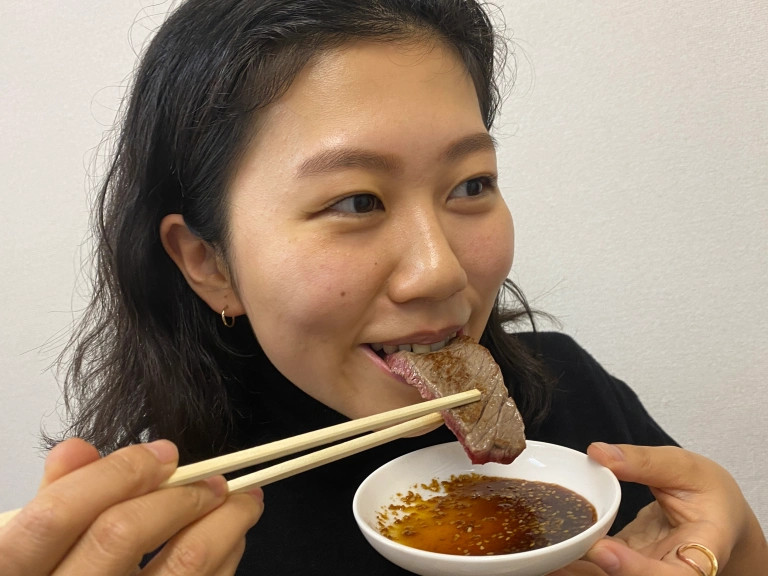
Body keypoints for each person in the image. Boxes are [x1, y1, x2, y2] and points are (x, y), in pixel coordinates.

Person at [1, 0, 765, 574]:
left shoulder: (572, 400)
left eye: (470, 184)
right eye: (357, 201)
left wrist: (740, 557)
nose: (441, 271)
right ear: (210, 264)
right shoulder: (153, 536)